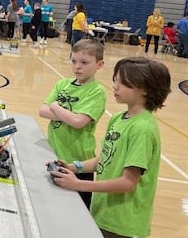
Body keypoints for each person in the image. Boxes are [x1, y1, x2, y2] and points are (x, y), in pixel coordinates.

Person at [50, 57, 171, 238]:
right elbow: (107, 158)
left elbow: (128, 183)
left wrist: (79, 184)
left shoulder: (142, 129)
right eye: (116, 80)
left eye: (124, 84)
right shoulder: (118, 118)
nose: (115, 86)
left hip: (122, 225)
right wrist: (74, 167)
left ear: (145, 90)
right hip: (102, 214)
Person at [40, 39, 106, 208]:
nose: (77, 66)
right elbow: (42, 111)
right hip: (54, 156)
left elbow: (78, 122)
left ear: (99, 64)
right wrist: (68, 115)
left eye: (84, 62)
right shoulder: (62, 84)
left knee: (77, 210)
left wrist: (55, 106)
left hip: (78, 164)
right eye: (74, 61)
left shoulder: (96, 91)